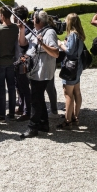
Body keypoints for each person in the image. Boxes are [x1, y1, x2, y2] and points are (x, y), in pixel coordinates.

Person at [18, 10, 60, 139]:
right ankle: (43, 123)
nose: (31, 20)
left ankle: (32, 127)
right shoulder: (36, 31)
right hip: (34, 70)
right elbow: (23, 43)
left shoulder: (49, 33)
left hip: (43, 72)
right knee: (38, 97)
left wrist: (42, 44)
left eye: (33, 19)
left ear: (38, 21)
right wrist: (21, 29)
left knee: (35, 99)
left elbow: (55, 53)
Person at [57, 14, 86, 130]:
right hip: (78, 65)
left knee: (68, 94)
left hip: (70, 66)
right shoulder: (80, 34)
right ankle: (75, 116)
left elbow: (69, 52)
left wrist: (60, 44)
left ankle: (68, 120)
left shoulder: (73, 35)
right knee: (77, 92)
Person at [0, 6, 19, 121]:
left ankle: (2, 113)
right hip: (11, 61)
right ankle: (12, 112)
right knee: (12, 88)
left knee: (1, 89)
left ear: (2, 15)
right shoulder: (15, 28)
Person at [13, 5, 31, 121]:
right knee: (18, 86)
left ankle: (27, 111)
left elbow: (22, 43)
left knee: (24, 87)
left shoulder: (26, 28)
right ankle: (21, 106)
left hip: (23, 61)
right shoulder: (21, 27)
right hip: (17, 60)